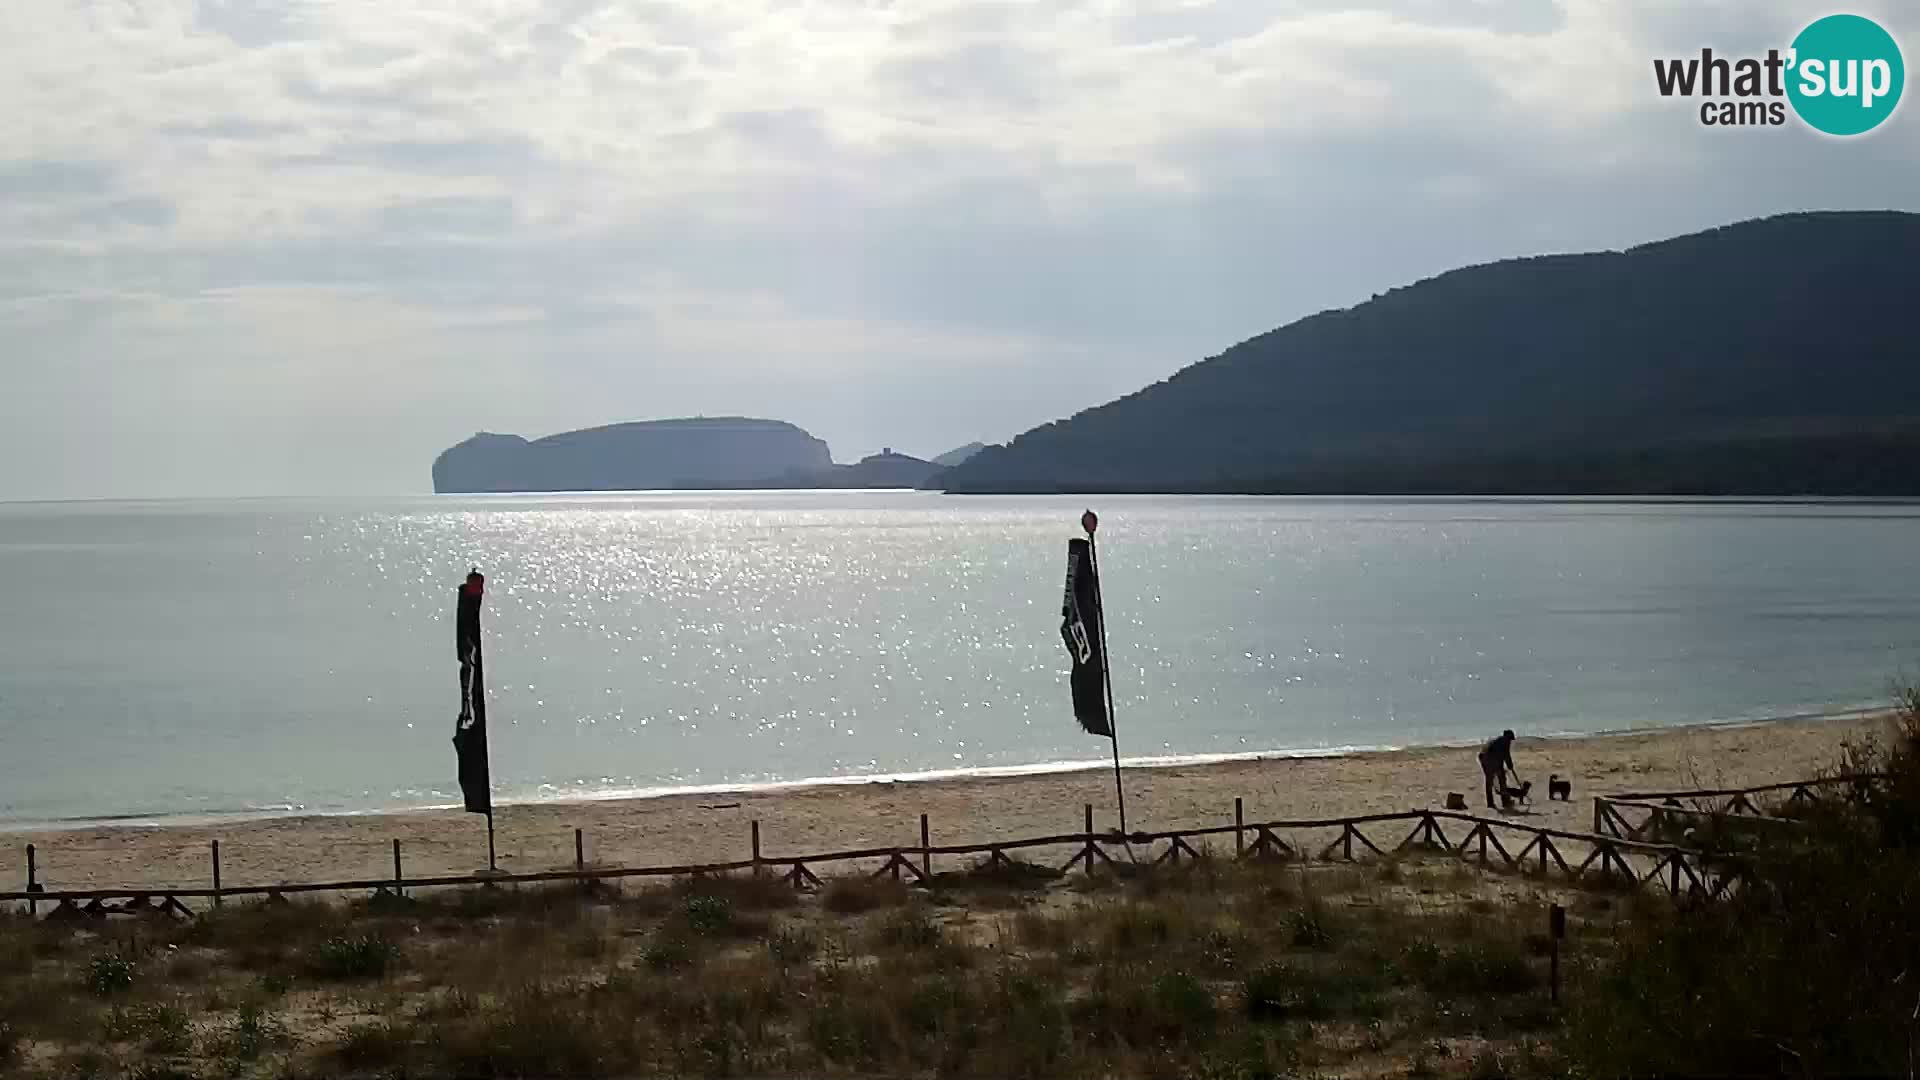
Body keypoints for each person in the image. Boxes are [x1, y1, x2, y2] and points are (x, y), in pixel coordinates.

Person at [1479, 729, 1518, 810]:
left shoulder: (1498, 740)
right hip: (1490, 758)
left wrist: (1507, 765)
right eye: (1510, 739)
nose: (1510, 741)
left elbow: (1502, 755)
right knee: (1501, 779)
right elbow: (1506, 755)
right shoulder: (1505, 741)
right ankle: (1505, 802)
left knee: (1490, 780)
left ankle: (1491, 803)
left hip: (1483, 757)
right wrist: (1510, 765)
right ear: (1508, 737)